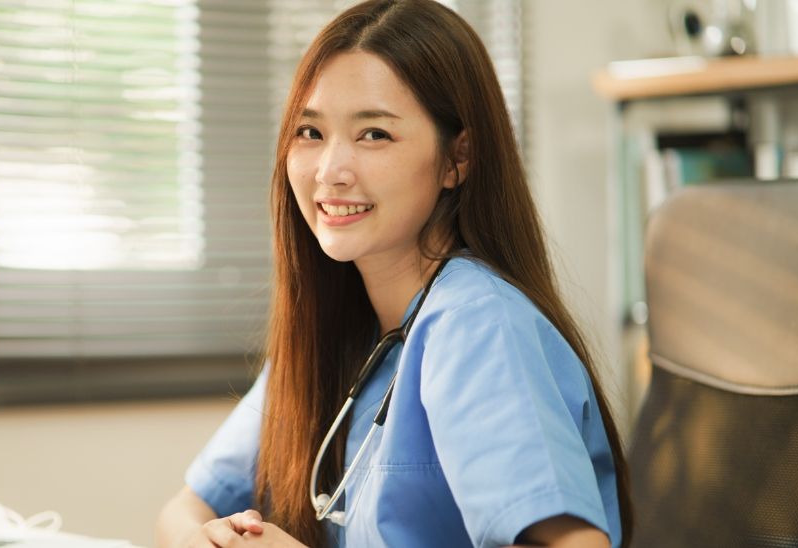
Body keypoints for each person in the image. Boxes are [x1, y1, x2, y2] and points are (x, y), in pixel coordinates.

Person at [153, 1, 633, 547]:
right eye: (310, 132)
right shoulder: (339, 325)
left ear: (458, 158)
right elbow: (184, 510)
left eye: (373, 134)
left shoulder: (475, 324)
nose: (330, 171)